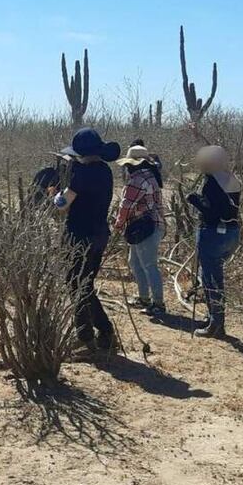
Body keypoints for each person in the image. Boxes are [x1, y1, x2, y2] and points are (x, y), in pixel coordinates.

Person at [50, 128, 120, 351]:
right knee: (85, 285)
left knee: (76, 285)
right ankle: (105, 332)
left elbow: (63, 204)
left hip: (80, 236)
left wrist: (55, 195)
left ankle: (86, 337)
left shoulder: (82, 175)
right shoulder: (105, 171)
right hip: (99, 234)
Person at [187, 145, 242, 339]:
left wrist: (194, 200)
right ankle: (214, 319)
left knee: (211, 279)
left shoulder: (211, 182)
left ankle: (216, 324)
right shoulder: (232, 179)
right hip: (232, 233)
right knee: (214, 276)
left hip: (213, 233)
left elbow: (211, 212)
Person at [113, 144, 166, 315]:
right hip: (147, 226)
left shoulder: (137, 180)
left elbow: (126, 206)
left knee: (149, 265)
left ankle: (158, 304)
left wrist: (118, 224)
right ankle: (144, 298)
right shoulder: (151, 176)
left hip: (144, 227)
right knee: (136, 262)